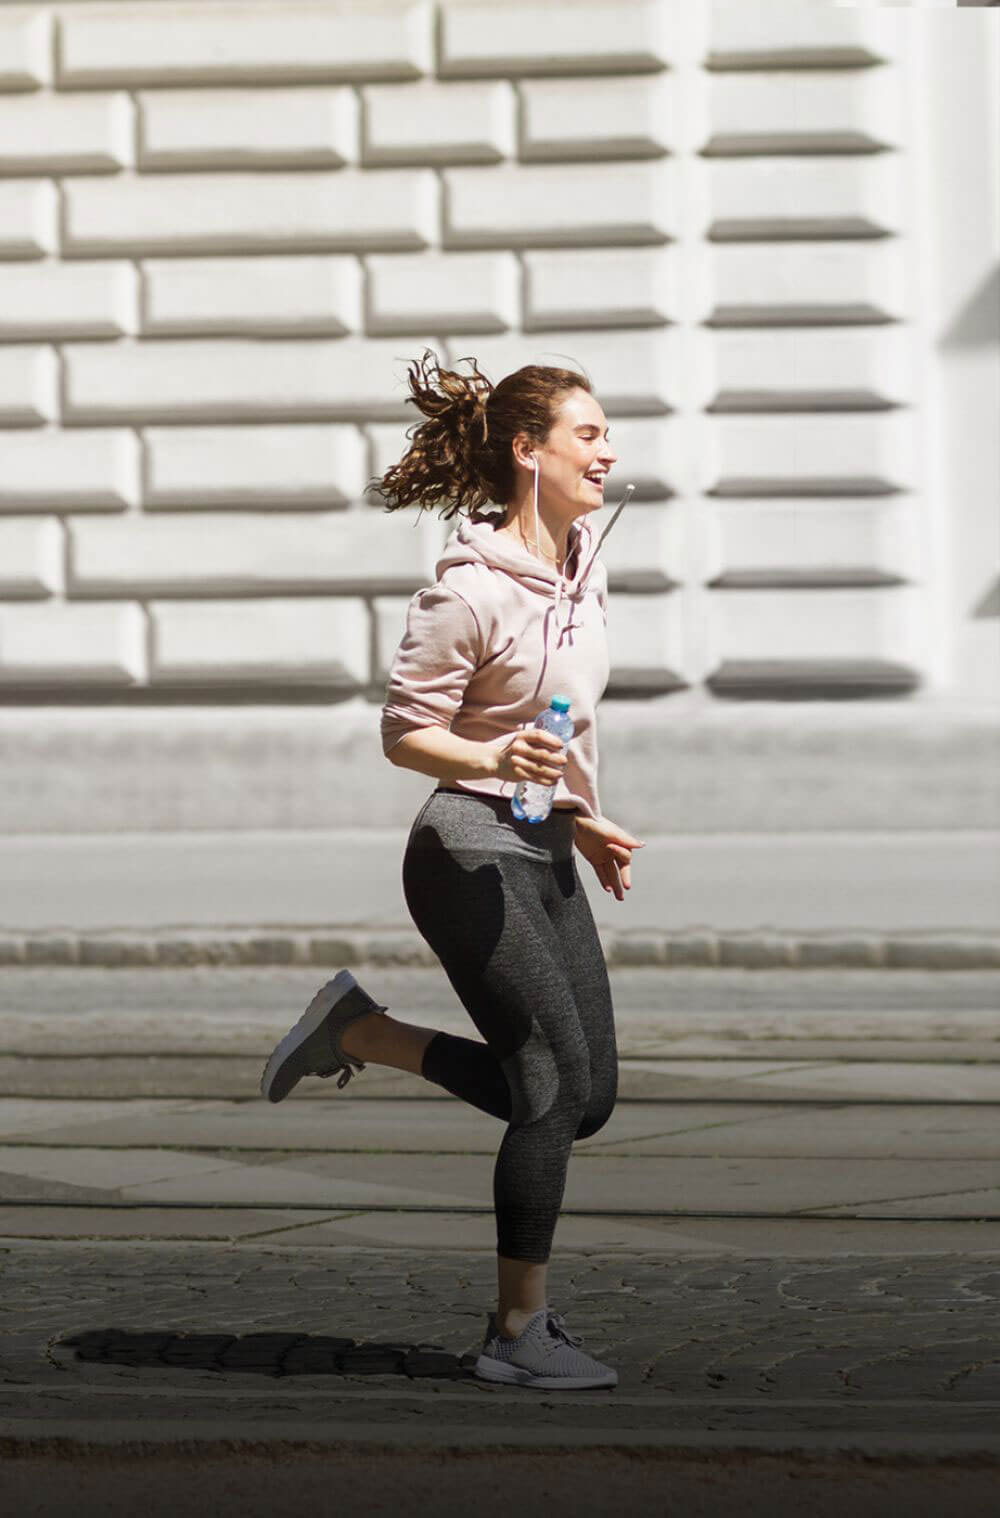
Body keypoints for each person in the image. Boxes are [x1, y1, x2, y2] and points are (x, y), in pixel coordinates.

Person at [260, 349, 644, 1390]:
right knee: (547, 1089)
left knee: (590, 1094)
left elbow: (562, 719)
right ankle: (518, 1333)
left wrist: (584, 814)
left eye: (608, 435)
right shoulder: (466, 589)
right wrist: (489, 758)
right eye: (589, 435)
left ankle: (359, 1030)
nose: (608, 451)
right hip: (465, 850)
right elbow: (406, 732)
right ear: (529, 452)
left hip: (541, 838)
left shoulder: (582, 561)